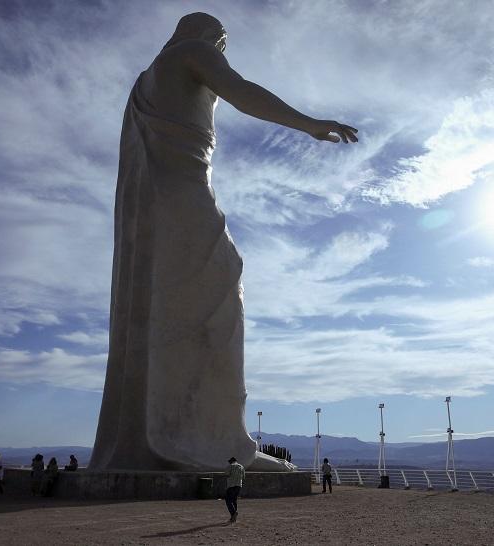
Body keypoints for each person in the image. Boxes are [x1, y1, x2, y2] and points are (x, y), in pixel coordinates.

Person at [88, 12, 357, 473]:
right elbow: (243, 92)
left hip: (155, 202)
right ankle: (217, 445)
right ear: (210, 36)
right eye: (223, 43)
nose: (221, 52)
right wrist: (309, 123)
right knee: (222, 280)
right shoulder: (191, 52)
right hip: (182, 190)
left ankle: (169, 433)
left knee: (177, 300)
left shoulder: (142, 83)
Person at [225, 456, 245, 523]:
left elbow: (227, 474)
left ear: (232, 461)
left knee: (228, 500)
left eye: (229, 461)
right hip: (239, 485)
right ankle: (233, 518)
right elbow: (243, 476)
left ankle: (233, 513)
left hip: (231, 485)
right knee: (234, 500)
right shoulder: (241, 467)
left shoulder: (230, 466)